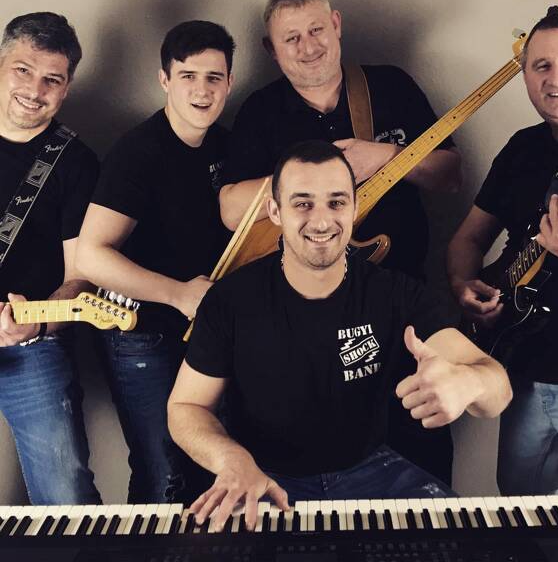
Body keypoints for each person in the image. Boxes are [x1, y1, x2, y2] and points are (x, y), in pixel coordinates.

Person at [168, 140, 512, 530]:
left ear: (354, 207)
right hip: (261, 476)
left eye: (336, 202)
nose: (321, 221)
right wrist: (231, 460)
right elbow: (185, 407)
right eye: (302, 203)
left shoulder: (395, 293)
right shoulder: (230, 300)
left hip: (372, 471)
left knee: (468, 545)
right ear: (274, 211)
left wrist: (468, 382)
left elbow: (497, 389)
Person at [218, 0, 461, 484]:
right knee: (321, 463)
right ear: (271, 49)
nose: (308, 47)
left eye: (316, 30)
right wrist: (313, 178)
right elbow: (230, 209)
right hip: (306, 319)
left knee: (421, 453)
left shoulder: (391, 86)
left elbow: (450, 175)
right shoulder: (262, 110)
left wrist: (388, 157)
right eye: (291, 38)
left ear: (336, 25)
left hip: (402, 306)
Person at [75, 20, 234, 503]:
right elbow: (91, 256)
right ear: (165, 79)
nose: (202, 90)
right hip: (139, 334)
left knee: (207, 467)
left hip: (202, 332)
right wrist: (180, 294)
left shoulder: (226, 146)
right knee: (162, 473)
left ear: (229, 83)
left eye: (214, 77)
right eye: (188, 76)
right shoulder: (138, 153)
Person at [447, 11, 558, 495]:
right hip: (520, 373)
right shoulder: (521, 148)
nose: (555, 78)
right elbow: (467, 240)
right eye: (541, 66)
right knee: (519, 513)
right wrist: (462, 285)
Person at [0, 12, 100, 504]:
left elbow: (80, 281)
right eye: (23, 70)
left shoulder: (76, 164)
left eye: (52, 80)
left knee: (67, 495)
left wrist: (34, 325)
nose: (34, 90)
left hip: (30, 344)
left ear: (66, 88)